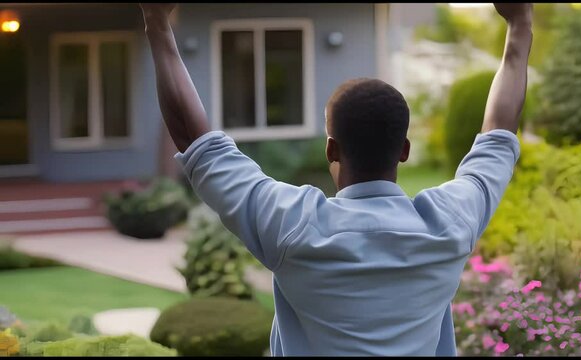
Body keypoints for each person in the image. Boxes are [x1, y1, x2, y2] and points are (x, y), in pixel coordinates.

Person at [140, 3, 532, 356]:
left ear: (332, 150)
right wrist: (520, 24)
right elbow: (498, 135)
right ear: (404, 150)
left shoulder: (294, 227)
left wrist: (157, 21)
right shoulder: (449, 224)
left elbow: (196, 141)